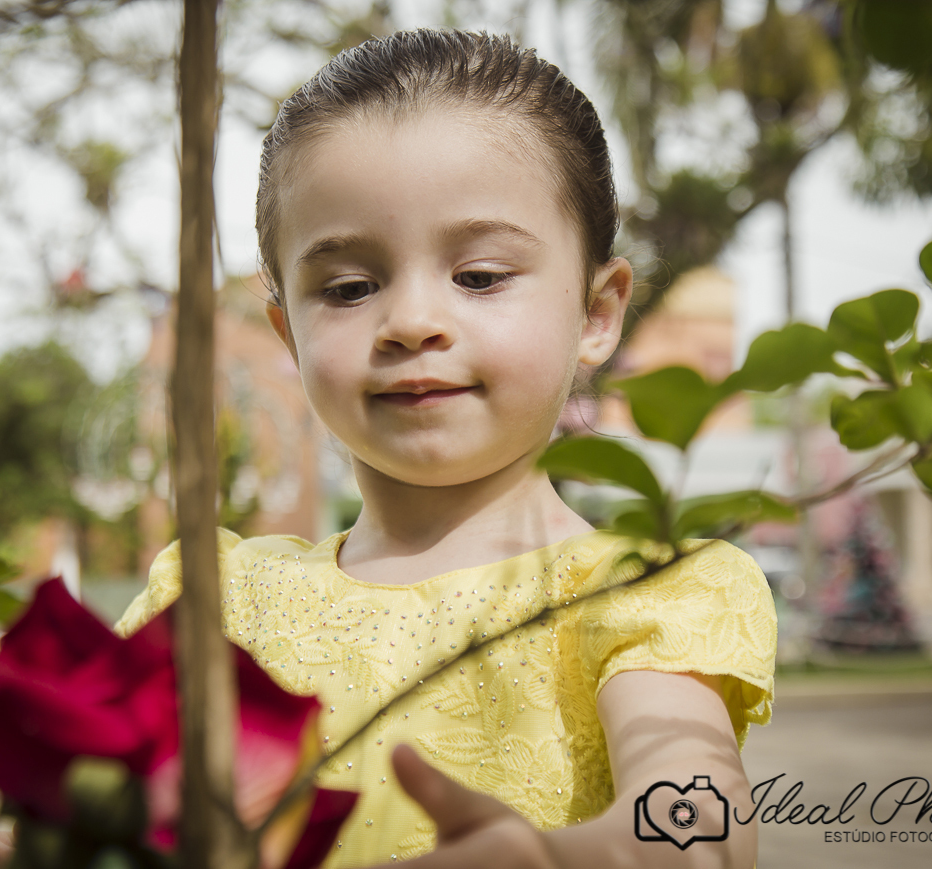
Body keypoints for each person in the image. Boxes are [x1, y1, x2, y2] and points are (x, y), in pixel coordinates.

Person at [117, 28, 776, 869]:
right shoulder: (213, 600)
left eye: (481, 276)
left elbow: (699, 825)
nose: (411, 321)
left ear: (598, 312)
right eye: (350, 288)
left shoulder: (642, 592)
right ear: (288, 331)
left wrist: (547, 860)